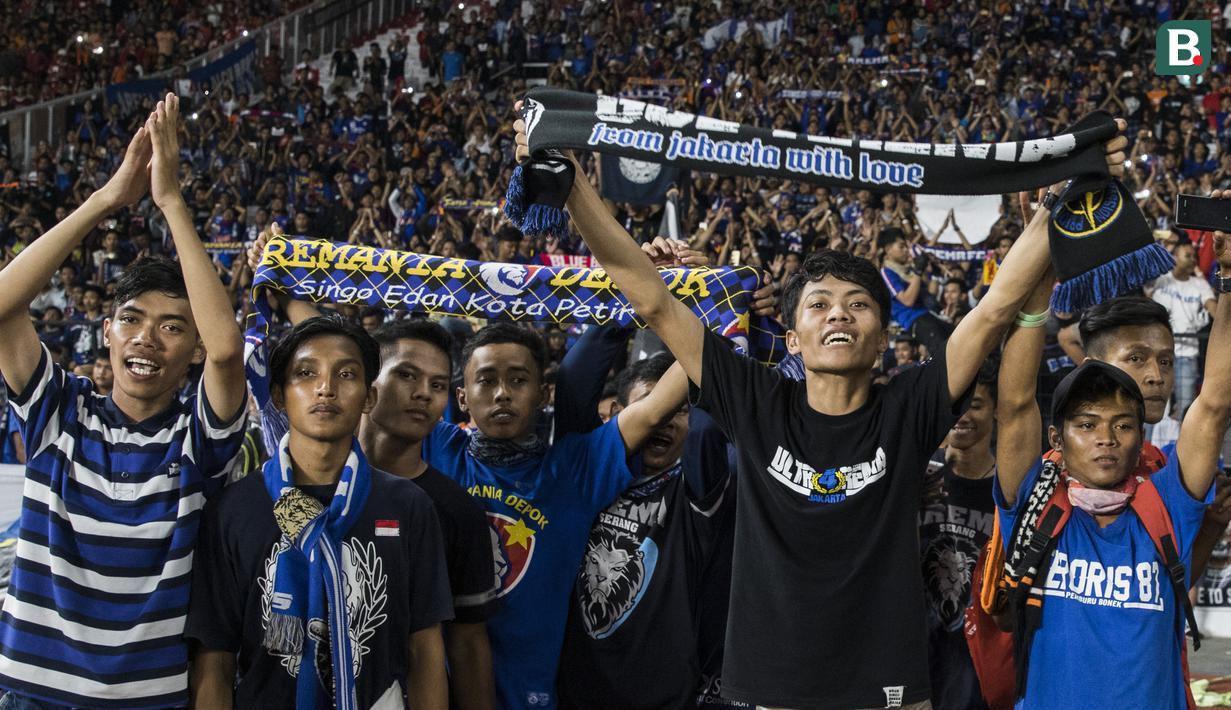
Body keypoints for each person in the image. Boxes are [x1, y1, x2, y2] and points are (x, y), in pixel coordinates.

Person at [516, 107, 1128, 707]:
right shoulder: (754, 399)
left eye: (858, 303)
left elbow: (995, 308)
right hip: (769, 691)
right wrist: (573, 187)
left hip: (888, 693)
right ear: (792, 339)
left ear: (884, 339)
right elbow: (651, 300)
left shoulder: (911, 406)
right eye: (819, 304)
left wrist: (1061, 205)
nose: (839, 312)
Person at [0, 94, 249, 707]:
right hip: (32, 694)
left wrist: (170, 201)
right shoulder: (60, 412)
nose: (145, 339)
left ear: (192, 347)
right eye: (131, 320)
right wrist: (106, 200)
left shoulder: (199, 439)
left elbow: (227, 352)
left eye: (171, 326)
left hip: (149, 700)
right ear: (106, 332)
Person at [993, 264, 1230, 708]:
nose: (1105, 437)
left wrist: (1230, 278)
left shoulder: (1166, 494)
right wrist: (1040, 270)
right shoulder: (1036, 498)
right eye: (1086, 424)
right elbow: (1015, 404)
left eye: (1122, 424)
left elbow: (1215, 401)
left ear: (1139, 434)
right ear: (1056, 437)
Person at [420, 321, 691, 709]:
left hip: (527, 696)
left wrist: (681, 299)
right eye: (486, 381)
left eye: (517, 380)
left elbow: (652, 411)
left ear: (544, 393)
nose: (501, 394)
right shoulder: (435, 447)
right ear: (461, 396)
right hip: (429, 686)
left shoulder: (575, 468)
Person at [187, 315, 452, 709]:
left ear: (368, 397)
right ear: (279, 395)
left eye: (346, 374)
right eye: (306, 373)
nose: (325, 388)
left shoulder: (408, 505)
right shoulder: (234, 509)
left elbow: (425, 652)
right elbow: (215, 662)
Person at [557, 349, 733, 709]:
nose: (663, 418)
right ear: (620, 414)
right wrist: (617, 309)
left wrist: (719, 334)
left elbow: (706, 431)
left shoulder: (697, 487)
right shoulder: (587, 473)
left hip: (662, 699)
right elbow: (574, 382)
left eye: (679, 410)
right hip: (576, 694)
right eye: (650, 405)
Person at [361, 319, 500, 710]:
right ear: (367, 382)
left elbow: (468, 644)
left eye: (438, 385)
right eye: (407, 375)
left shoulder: (457, 511)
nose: (423, 393)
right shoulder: (305, 487)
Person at [919, 359, 999, 710]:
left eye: (976, 404)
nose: (963, 415)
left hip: (975, 661)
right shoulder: (919, 475)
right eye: (955, 405)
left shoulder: (1009, 491)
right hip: (916, 652)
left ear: (996, 410)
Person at [1148, 237, 1216, 416]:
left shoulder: (1199, 285)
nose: (1193, 258)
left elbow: (1214, 309)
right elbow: (1144, 286)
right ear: (1175, 257)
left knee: (1186, 410)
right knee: (1153, 406)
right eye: (1188, 255)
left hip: (1186, 355)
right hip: (1157, 353)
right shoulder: (1161, 279)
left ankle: (1181, 444)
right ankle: (1148, 444)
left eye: (1195, 256)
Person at [879, 227, 953, 356]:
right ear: (888, 249)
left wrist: (935, 274)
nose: (906, 250)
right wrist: (918, 272)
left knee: (960, 339)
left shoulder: (908, 270)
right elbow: (908, 300)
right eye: (901, 247)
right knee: (945, 355)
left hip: (929, 315)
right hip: (915, 320)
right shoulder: (887, 272)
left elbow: (930, 294)